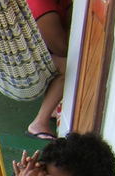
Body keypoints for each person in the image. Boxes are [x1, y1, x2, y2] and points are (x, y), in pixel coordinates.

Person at [26, 0, 72, 140]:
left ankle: (53, 107)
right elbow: (62, 48)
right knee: (66, 66)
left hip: (43, 53)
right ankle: (39, 123)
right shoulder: (39, 3)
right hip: (23, 67)